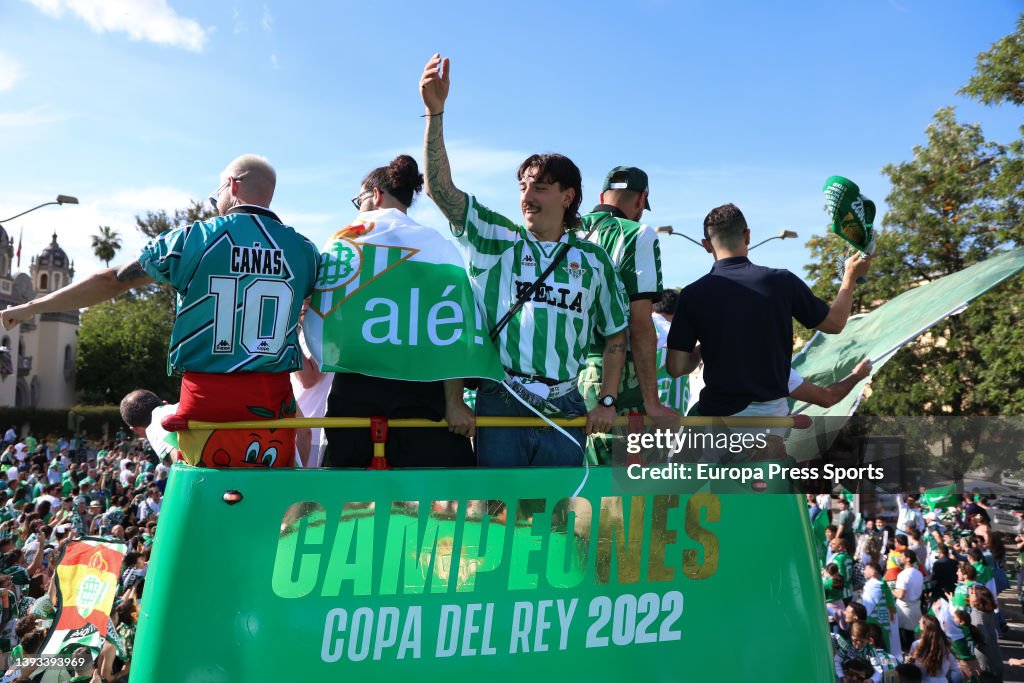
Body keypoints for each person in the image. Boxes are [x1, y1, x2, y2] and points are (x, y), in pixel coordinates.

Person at [1, 155, 320, 468]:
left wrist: (33, 306)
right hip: (273, 400)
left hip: (209, 400)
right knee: (268, 503)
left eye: (216, 195)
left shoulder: (194, 240)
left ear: (231, 185)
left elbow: (110, 280)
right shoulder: (304, 251)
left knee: (210, 500)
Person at [419, 53, 629, 466]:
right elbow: (440, 190)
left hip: (566, 404)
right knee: (496, 514)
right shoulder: (498, 238)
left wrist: (606, 400)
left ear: (568, 197)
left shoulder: (594, 260)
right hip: (502, 398)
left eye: (541, 187)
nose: (526, 196)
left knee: (555, 519)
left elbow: (616, 338)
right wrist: (435, 113)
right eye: (522, 185)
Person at [314, 155, 476, 468]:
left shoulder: (345, 241)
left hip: (355, 389)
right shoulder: (438, 245)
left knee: (349, 503)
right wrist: (454, 402)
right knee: (431, 505)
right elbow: (454, 331)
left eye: (359, 199)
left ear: (375, 195)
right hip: (423, 393)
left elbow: (320, 324)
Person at [666, 203, 871, 418]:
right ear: (747, 236)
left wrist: (707, 345)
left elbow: (676, 367)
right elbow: (835, 323)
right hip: (770, 424)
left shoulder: (692, 294)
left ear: (706, 245)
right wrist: (850, 277)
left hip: (717, 423)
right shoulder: (782, 282)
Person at [577, 166, 679, 464]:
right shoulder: (637, 234)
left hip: (565, 381)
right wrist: (653, 402)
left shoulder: (566, 230)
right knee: (620, 497)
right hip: (617, 382)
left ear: (601, 196)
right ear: (640, 200)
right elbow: (640, 324)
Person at [905, 615, 954, 683]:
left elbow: (911, 665)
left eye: (920, 622)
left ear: (925, 626)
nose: (918, 622)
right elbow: (952, 663)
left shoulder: (916, 644)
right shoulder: (947, 643)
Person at [894, 550, 924, 651]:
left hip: (905, 610)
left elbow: (901, 594)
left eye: (902, 556)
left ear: (908, 559)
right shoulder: (919, 573)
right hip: (916, 607)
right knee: (914, 637)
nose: (899, 558)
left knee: (906, 640)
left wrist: (891, 591)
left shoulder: (903, 574)